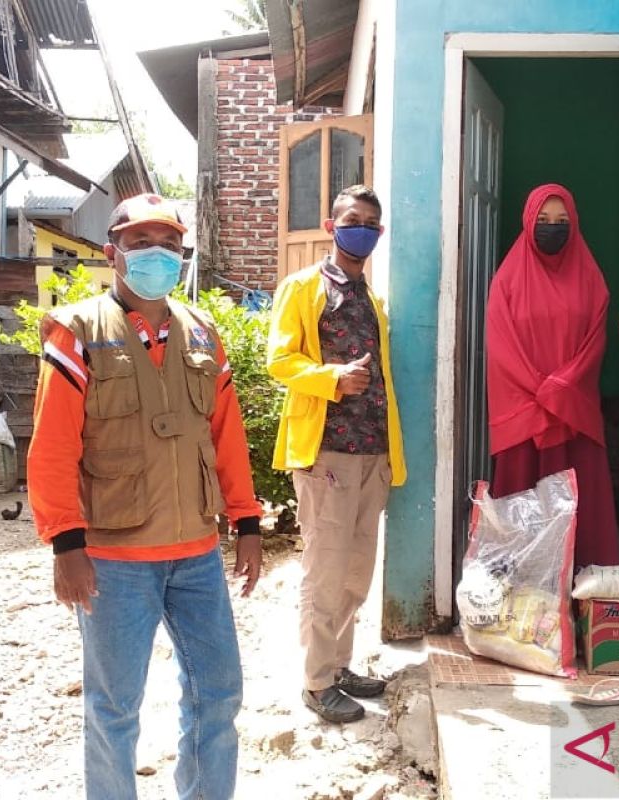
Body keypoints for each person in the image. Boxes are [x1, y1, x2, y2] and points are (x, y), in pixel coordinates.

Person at [27, 193, 264, 800]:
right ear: (113, 253)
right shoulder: (77, 330)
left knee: (219, 697)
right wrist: (65, 544)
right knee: (113, 710)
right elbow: (53, 446)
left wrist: (247, 522)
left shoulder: (203, 333)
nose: (156, 255)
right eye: (140, 243)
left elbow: (226, 435)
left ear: (183, 257)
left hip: (198, 556)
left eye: (169, 245)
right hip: (113, 560)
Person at [267, 185, 407, 724]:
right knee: (324, 571)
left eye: (371, 222)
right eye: (353, 219)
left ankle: (339, 665)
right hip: (325, 451)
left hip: (372, 451)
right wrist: (332, 378)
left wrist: (391, 453)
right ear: (331, 225)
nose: (362, 229)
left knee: (355, 571)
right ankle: (315, 681)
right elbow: (279, 361)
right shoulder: (302, 288)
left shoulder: (373, 299)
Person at [485, 183, 619, 570]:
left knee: (582, 513)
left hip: (573, 414)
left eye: (562, 221)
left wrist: (561, 388)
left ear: (575, 224)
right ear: (528, 223)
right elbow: (502, 348)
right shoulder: (507, 280)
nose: (552, 227)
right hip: (525, 417)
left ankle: (584, 608)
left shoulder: (591, 280)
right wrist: (542, 391)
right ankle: (522, 615)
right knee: (520, 518)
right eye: (543, 220)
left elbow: (594, 343)